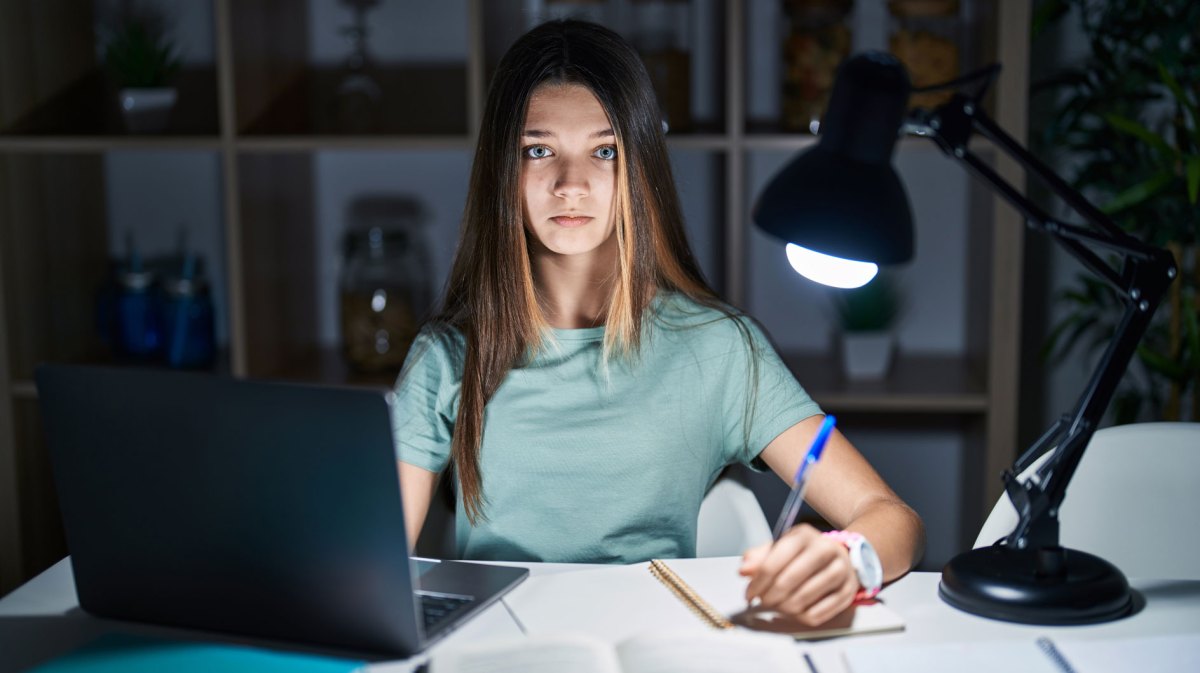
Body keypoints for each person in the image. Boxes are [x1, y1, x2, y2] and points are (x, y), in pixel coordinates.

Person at [392, 19, 924, 626]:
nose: (571, 185)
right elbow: (372, 563)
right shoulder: (446, 356)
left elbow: (893, 519)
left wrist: (847, 558)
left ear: (639, 165)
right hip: (498, 651)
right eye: (538, 150)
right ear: (501, 170)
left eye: (605, 151)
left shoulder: (719, 349)